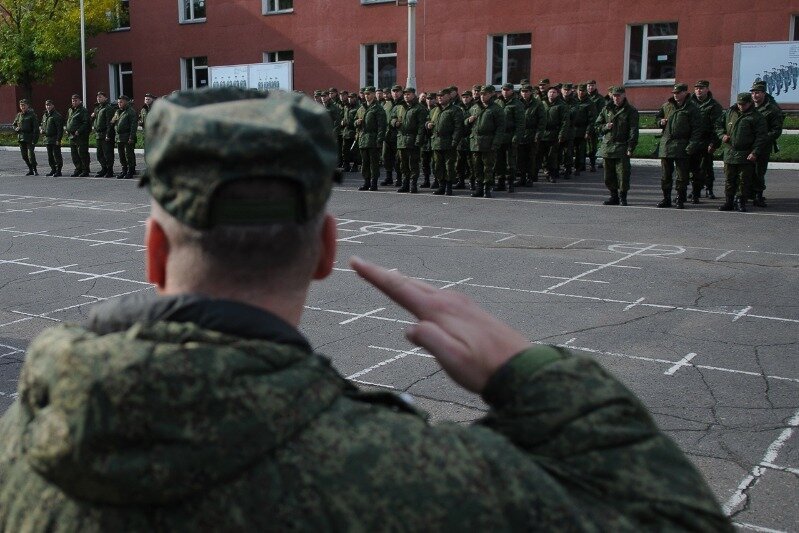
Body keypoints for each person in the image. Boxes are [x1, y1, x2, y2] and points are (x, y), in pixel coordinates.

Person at [0, 87, 733, 531]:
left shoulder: (21, 441)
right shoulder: (418, 474)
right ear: (325, 250)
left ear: (154, 251)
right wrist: (534, 375)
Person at [716, 93, 768, 212]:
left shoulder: (756, 117)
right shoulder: (730, 113)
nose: (741, 106)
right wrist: (722, 135)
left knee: (743, 179)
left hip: (746, 153)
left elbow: (761, 137)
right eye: (739, 104)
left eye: (744, 104)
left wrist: (755, 152)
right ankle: (729, 201)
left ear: (749, 103)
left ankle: (740, 201)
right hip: (730, 152)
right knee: (729, 178)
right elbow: (718, 125)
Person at [655, 83, 702, 209]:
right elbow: (657, 118)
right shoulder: (667, 106)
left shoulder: (692, 108)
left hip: (682, 144)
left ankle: (680, 198)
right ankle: (666, 198)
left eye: (678, 93)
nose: (676, 95)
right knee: (665, 175)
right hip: (667, 145)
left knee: (682, 175)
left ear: (685, 93)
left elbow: (697, 130)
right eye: (674, 93)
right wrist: (660, 122)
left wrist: (691, 145)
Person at [595, 86, 639, 206]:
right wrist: (605, 127)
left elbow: (633, 130)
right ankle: (613, 196)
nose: (616, 98)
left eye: (618, 95)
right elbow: (597, 126)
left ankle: (623, 197)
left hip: (622, 146)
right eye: (614, 96)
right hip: (608, 146)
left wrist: (631, 147)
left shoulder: (630, 111)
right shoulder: (606, 109)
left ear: (624, 95)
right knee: (608, 175)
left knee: (623, 174)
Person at [750, 81, 785, 208]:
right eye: (753, 93)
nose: (755, 96)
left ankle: (759, 196)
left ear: (764, 94)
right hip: (748, 144)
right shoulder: (749, 106)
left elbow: (776, 130)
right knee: (747, 170)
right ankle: (749, 193)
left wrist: (763, 138)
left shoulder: (772, 109)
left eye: (758, 93)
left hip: (763, 146)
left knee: (759, 171)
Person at [466, 85, 505, 198]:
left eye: (485, 94)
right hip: (476, 142)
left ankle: (486, 188)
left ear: (491, 94)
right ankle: (479, 188)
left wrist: (496, 143)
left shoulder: (496, 109)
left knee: (488, 166)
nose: (482, 96)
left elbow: (500, 128)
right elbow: (465, 121)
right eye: (481, 94)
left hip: (489, 142)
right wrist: (468, 120)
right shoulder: (474, 107)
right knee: (477, 166)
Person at [688, 80, 723, 200]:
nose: (698, 90)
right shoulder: (689, 103)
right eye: (696, 88)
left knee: (707, 166)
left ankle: (709, 189)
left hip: (706, 140)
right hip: (692, 140)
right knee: (693, 167)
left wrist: (714, 143)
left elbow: (717, 126)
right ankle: (695, 190)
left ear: (707, 89)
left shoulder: (714, 105)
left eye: (701, 88)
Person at [427, 88, 463, 196]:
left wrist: (454, 141)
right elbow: (428, 120)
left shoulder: (455, 110)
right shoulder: (434, 110)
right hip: (436, 142)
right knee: (438, 165)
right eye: (438, 96)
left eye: (442, 96)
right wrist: (427, 124)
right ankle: (441, 185)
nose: (440, 98)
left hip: (448, 141)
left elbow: (458, 127)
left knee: (449, 166)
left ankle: (448, 187)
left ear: (449, 97)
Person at [394, 87, 427, 193]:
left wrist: (418, 140)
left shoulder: (419, 108)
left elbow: (421, 127)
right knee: (403, 164)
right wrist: (394, 122)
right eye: (405, 94)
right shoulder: (400, 107)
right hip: (401, 140)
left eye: (408, 94)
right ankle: (405, 184)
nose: (406, 96)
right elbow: (392, 117)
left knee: (413, 163)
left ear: (414, 95)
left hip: (412, 139)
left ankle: (413, 184)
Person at [354, 86, 386, 191]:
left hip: (373, 139)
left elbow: (382, 126)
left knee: (374, 163)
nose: (366, 96)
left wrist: (379, 140)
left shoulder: (378, 108)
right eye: (365, 94)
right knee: (365, 162)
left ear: (373, 94)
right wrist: (357, 122)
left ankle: (374, 183)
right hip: (363, 139)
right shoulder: (361, 107)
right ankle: (366, 182)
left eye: (368, 94)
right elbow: (355, 121)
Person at [110, 95, 138, 179]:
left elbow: (133, 126)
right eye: (118, 102)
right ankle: (124, 170)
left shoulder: (130, 111)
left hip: (127, 136)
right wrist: (113, 121)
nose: (119, 104)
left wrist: (131, 137)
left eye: (121, 102)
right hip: (119, 137)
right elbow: (112, 122)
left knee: (129, 154)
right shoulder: (118, 111)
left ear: (126, 102)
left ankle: (131, 170)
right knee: (121, 155)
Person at [65, 94, 91, 177]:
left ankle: (85, 170)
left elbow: (86, 123)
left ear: (80, 101)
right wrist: (67, 129)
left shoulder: (83, 110)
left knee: (82, 153)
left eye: (76, 100)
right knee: (74, 154)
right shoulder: (70, 110)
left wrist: (79, 131)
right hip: (71, 135)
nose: (74, 102)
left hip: (80, 135)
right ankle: (78, 169)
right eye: (73, 101)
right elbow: (68, 120)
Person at [12, 99, 39, 176]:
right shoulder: (19, 115)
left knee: (31, 155)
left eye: (24, 105)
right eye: (21, 105)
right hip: (21, 138)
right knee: (24, 156)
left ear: (28, 106)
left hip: (30, 138)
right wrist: (16, 128)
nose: (22, 107)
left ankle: (35, 169)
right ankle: (30, 169)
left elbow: (35, 128)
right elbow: (14, 124)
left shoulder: (32, 115)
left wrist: (35, 139)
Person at [91, 91, 115, 177]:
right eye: (97, 97)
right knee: (99, 154)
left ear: (105, 98)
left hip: (105, 134)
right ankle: (103, 168)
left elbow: (110, 123)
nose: (98, 98)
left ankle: (109, 170)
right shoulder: (97, 108)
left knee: (107, 153)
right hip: (99, 134)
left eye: (100, 97)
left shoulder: (108, 108)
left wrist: (108, 134)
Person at [40, 99, 65, 177]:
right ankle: (53, 169)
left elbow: (59, 129)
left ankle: (58, 171)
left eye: (49, 105)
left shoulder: (56, 116)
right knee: (50, 156)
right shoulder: (45, 115)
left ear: (53, 106)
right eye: (47, 105)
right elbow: (43, 125)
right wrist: (42, 130)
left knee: (56, 155)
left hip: (54, 138)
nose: (48, 107)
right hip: (47, 139)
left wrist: (58, 139)